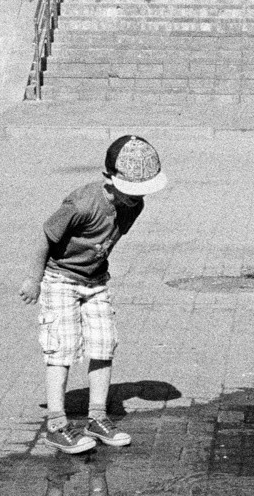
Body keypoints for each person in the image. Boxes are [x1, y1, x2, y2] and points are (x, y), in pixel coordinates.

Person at [19, 135, 168, 454]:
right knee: (61, 346)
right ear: (108, 179)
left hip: (96, 279)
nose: (135, 200)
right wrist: (34, 280)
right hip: (60, 278)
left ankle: (96, 418)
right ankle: (57, 424)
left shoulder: (135, 205)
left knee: (103, 343)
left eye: (141, 192)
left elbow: (106, 240)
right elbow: (45, 237)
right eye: (130, 192)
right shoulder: (82, 203)